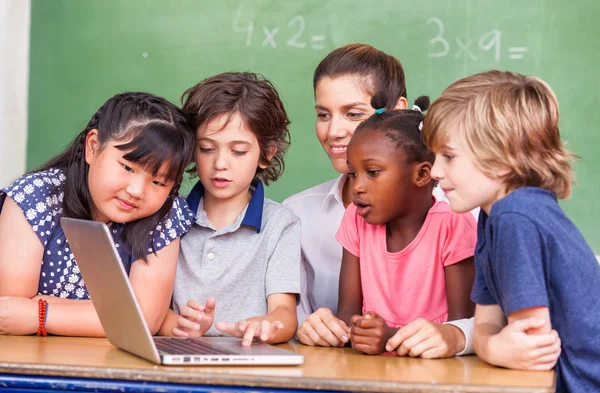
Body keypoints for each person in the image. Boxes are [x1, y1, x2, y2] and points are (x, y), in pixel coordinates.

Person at [284, 43, 478, 357]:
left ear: (397, 109)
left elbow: (466, 326)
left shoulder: (462, 211)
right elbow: (314, 317)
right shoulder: (295, 215)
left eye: (354, 113)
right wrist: (309, 326)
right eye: (323, 114)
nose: (335, 131)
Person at [423, 70, 597, 392]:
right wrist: (492, 346)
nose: (434, 170)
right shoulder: (494, 219)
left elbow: (530, 347)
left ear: (503, 159)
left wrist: (495, 346)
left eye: (448, 156)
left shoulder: (515, 218)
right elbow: (488, 325)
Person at [0, 92, 195, 337]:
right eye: (127, 167)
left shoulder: (165, 214)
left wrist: (40, 313)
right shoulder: (35, 196)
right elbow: (10, 310)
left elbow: (143, 321)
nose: (136, 191)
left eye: (158, 182)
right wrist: (120, 314)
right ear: (93, 147)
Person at [158, 72, 301, 346]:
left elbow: (285, 315)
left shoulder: (280, 223)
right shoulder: (168, 215)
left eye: (238, 151)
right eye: (207, 148)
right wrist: (180, 324)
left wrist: (266, 325)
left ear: (267, 154)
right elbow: (149, 308)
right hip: (176, 359)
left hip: (249, 366)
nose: (220, 163)